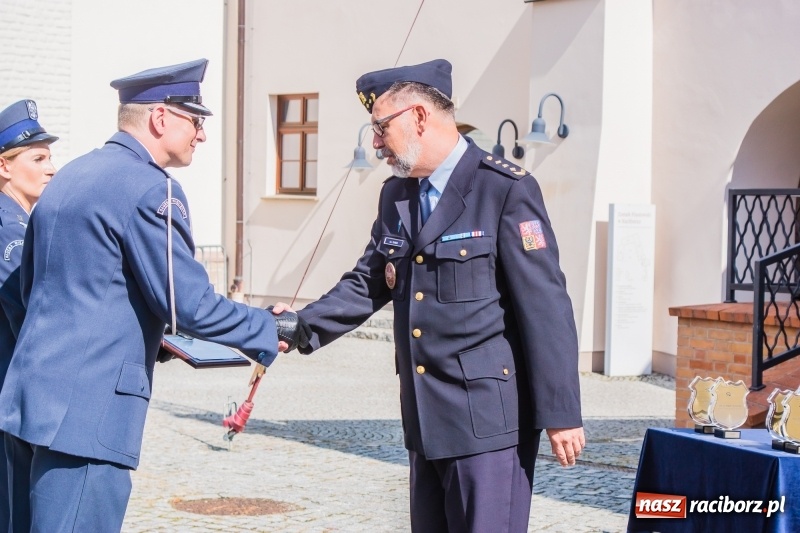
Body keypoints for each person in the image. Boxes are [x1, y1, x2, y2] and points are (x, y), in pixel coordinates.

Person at [278, 59, 585, 532]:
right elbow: (370, 280)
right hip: (426, 420)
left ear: (418, 117)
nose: (375, 142)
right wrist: (301, 326)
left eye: (380, 127)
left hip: (487, 425)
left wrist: (561, 413)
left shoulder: (503, 189)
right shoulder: (397, 195)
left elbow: (546, 306)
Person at [0, 59, 305, 532]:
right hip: (88, 416)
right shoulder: (151, 187)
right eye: (196, 120)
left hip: (29, 402)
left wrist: (148, 337)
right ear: (162, 118)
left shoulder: (71, 177)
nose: (201, 135)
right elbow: (190, 304)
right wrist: (269, 326)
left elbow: (41, 291)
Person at [0, 99, 58, 533]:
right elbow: (33, 320)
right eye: (38, 158)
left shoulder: (23, 222)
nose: (51, 168)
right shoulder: (9, 232)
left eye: (50, 157)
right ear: (4, 166)